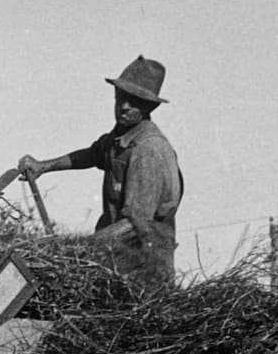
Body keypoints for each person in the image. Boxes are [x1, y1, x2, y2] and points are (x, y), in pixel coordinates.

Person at [18, 56, 184, 288]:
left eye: (134, 102)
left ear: (149, 107)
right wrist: (43, 166)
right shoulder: (122, 137)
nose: (124, 106)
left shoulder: (148, 151)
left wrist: (80, 250)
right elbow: (94, 154)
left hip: (143, 274)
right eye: (121, 98)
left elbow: (135, 223)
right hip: (117, 261)